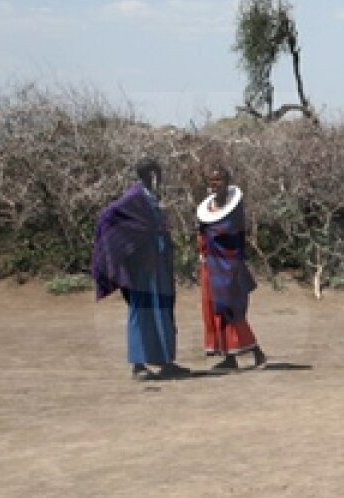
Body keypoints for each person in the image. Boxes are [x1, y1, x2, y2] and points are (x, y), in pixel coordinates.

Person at [92, 157, 187, 381]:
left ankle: (166, 361)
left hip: (158, 266)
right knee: (141, 312)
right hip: (143, 268)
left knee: (162, 312)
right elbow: (108, 219)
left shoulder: (150, 198)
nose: (161, 180)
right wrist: (127, 250)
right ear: (151, 176)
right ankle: (138, 365)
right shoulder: (133, 199)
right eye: (158, 175)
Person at [196, 167, 265, 370]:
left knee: (231, 310)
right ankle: (229, 357)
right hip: (210, 266)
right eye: (211, 179)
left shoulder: (234, 209)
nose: (214, 183)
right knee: (215, 311)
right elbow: (202, 232)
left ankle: (256, 352)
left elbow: (230, 234)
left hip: (229, 266)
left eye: (219, 179)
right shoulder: (207, 208)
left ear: (227, 181)